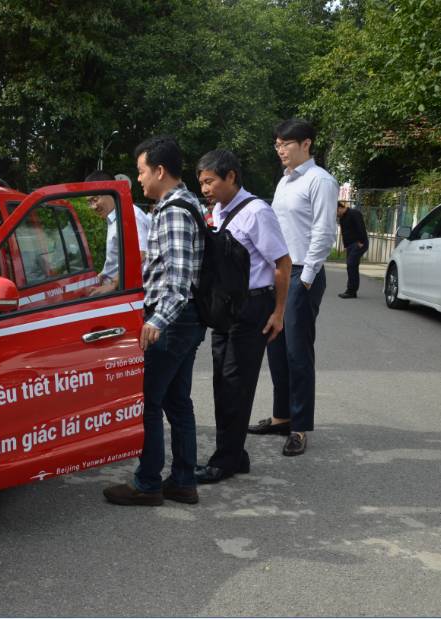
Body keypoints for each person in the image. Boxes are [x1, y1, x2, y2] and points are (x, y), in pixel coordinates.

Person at [103, 136, 207, 506]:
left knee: (147, 400)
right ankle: (182, 481)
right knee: (178, 401)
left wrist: (156, 320)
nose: (141, 180)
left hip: (174, 322)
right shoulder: (182, 204)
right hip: (185, 320)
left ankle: (147, 483)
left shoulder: (175, 210)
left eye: (142, 172)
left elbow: (177, 280)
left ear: (160, 171)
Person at [194, 150, 291, 483]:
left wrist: (278, 312)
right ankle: (236, 454)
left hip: (253, 307)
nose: (205, 189)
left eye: (210, 181)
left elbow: (282, 263)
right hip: (227, 308)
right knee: (223, 381)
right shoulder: (219, 211)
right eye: (202, 183)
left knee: (236, 384)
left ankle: (225, 461)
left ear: (231, 176)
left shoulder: (257, 212)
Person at [248, 118, 338, 457]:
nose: (280, 150)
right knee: (276, 349)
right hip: (280, 273)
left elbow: (324, 233)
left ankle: (299, 427)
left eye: (286, 143)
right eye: (277, 144)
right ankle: (281, 416)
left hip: (302, 274)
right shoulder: (284, 181)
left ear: (306, 144)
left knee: (298, 353)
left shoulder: (320, 181)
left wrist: (305, 278)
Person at [84, 170, 150, 296]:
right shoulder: (114, 217)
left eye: (95, 199)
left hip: (123, 292)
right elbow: (117, 259)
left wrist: (113, 284)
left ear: (109, 191)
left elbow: (140, 255)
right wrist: (102, 276)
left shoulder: (131, 215)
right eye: (89, 202)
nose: (93, 207)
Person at [337, 200, 368, 298]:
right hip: (350, 245)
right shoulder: (342, 218)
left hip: (358, 243)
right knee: (352, 266)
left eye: (336, 212)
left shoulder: (354, 213)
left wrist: (361, 242)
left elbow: (361, 227)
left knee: (351, 265)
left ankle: (351, 291)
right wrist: (346, 246)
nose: (336, 215)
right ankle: (352, 291)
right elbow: (345, 232)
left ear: (340, 208)